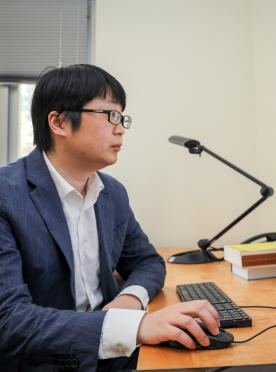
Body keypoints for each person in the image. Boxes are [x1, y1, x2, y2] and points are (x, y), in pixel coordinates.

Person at [0, 64, 220, 372]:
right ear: (59, 122)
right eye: (109, 116)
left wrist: (129, 300)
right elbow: (9, 321)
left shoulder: (112, 193)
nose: (120, 128)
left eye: (121, 117)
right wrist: (132, 327)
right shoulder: (6, 195)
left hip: (111, 350)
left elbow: (147, 261)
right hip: (43, 359)